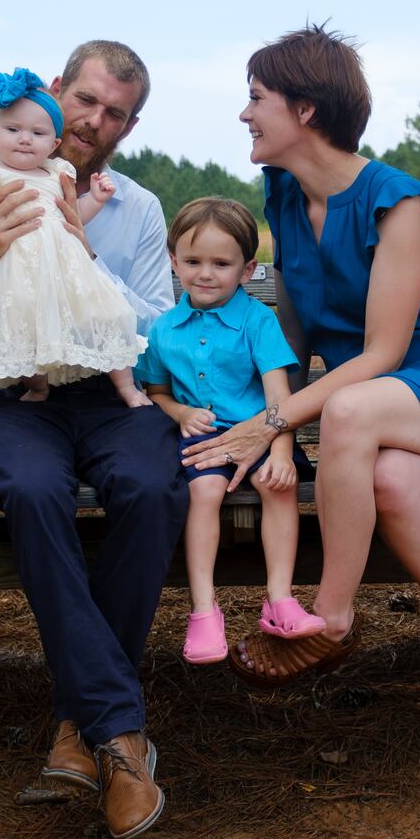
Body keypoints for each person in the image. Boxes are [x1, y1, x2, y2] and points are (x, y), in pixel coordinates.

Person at [182, 25, 420, 743]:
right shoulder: (284, 193)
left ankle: (333, 619)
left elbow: (383, 351)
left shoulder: (395, 202)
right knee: (395, 485)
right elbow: (294, 335)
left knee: (349, 408)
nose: (245, 113)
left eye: (256, 98)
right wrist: (257, 412)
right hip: (370, 405)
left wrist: (278, 422)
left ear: (306, 109)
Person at [0, 41, 182, 839]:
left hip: (108, 395)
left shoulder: (131, 207)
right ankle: (119, 734)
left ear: (129, 126)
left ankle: (77, 725)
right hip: (15, 400)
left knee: (149, 482)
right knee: (32, 489)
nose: (94, 121)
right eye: (87, 100)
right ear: (58, 88)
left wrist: (83, 244)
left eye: (116, 114)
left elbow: (164, 333)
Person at [133, 197, 324, 665]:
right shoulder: (163, 330)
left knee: (277, 486)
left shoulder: (258, 321)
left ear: (246, 270)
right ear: (173, 261)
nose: (205, 273)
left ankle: (279, 600)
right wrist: (179, 413)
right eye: (193, 261)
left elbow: (281, 396)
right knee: (204, 493)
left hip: (264, 429)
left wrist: (281, 452)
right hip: (203, 436)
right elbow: (155, 390)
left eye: (221, 263)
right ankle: (203, 611)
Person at [0, 66, 149, 407]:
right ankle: (38, 388)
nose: (25, 139)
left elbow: (72, 219)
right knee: (29, 330)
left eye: (37, 134)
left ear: (53, 141)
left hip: (70, 272)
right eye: (13, 129)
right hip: (22, 277)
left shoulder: (56, 174)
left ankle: (127, 387)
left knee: (111, 312)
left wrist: (96, 200)